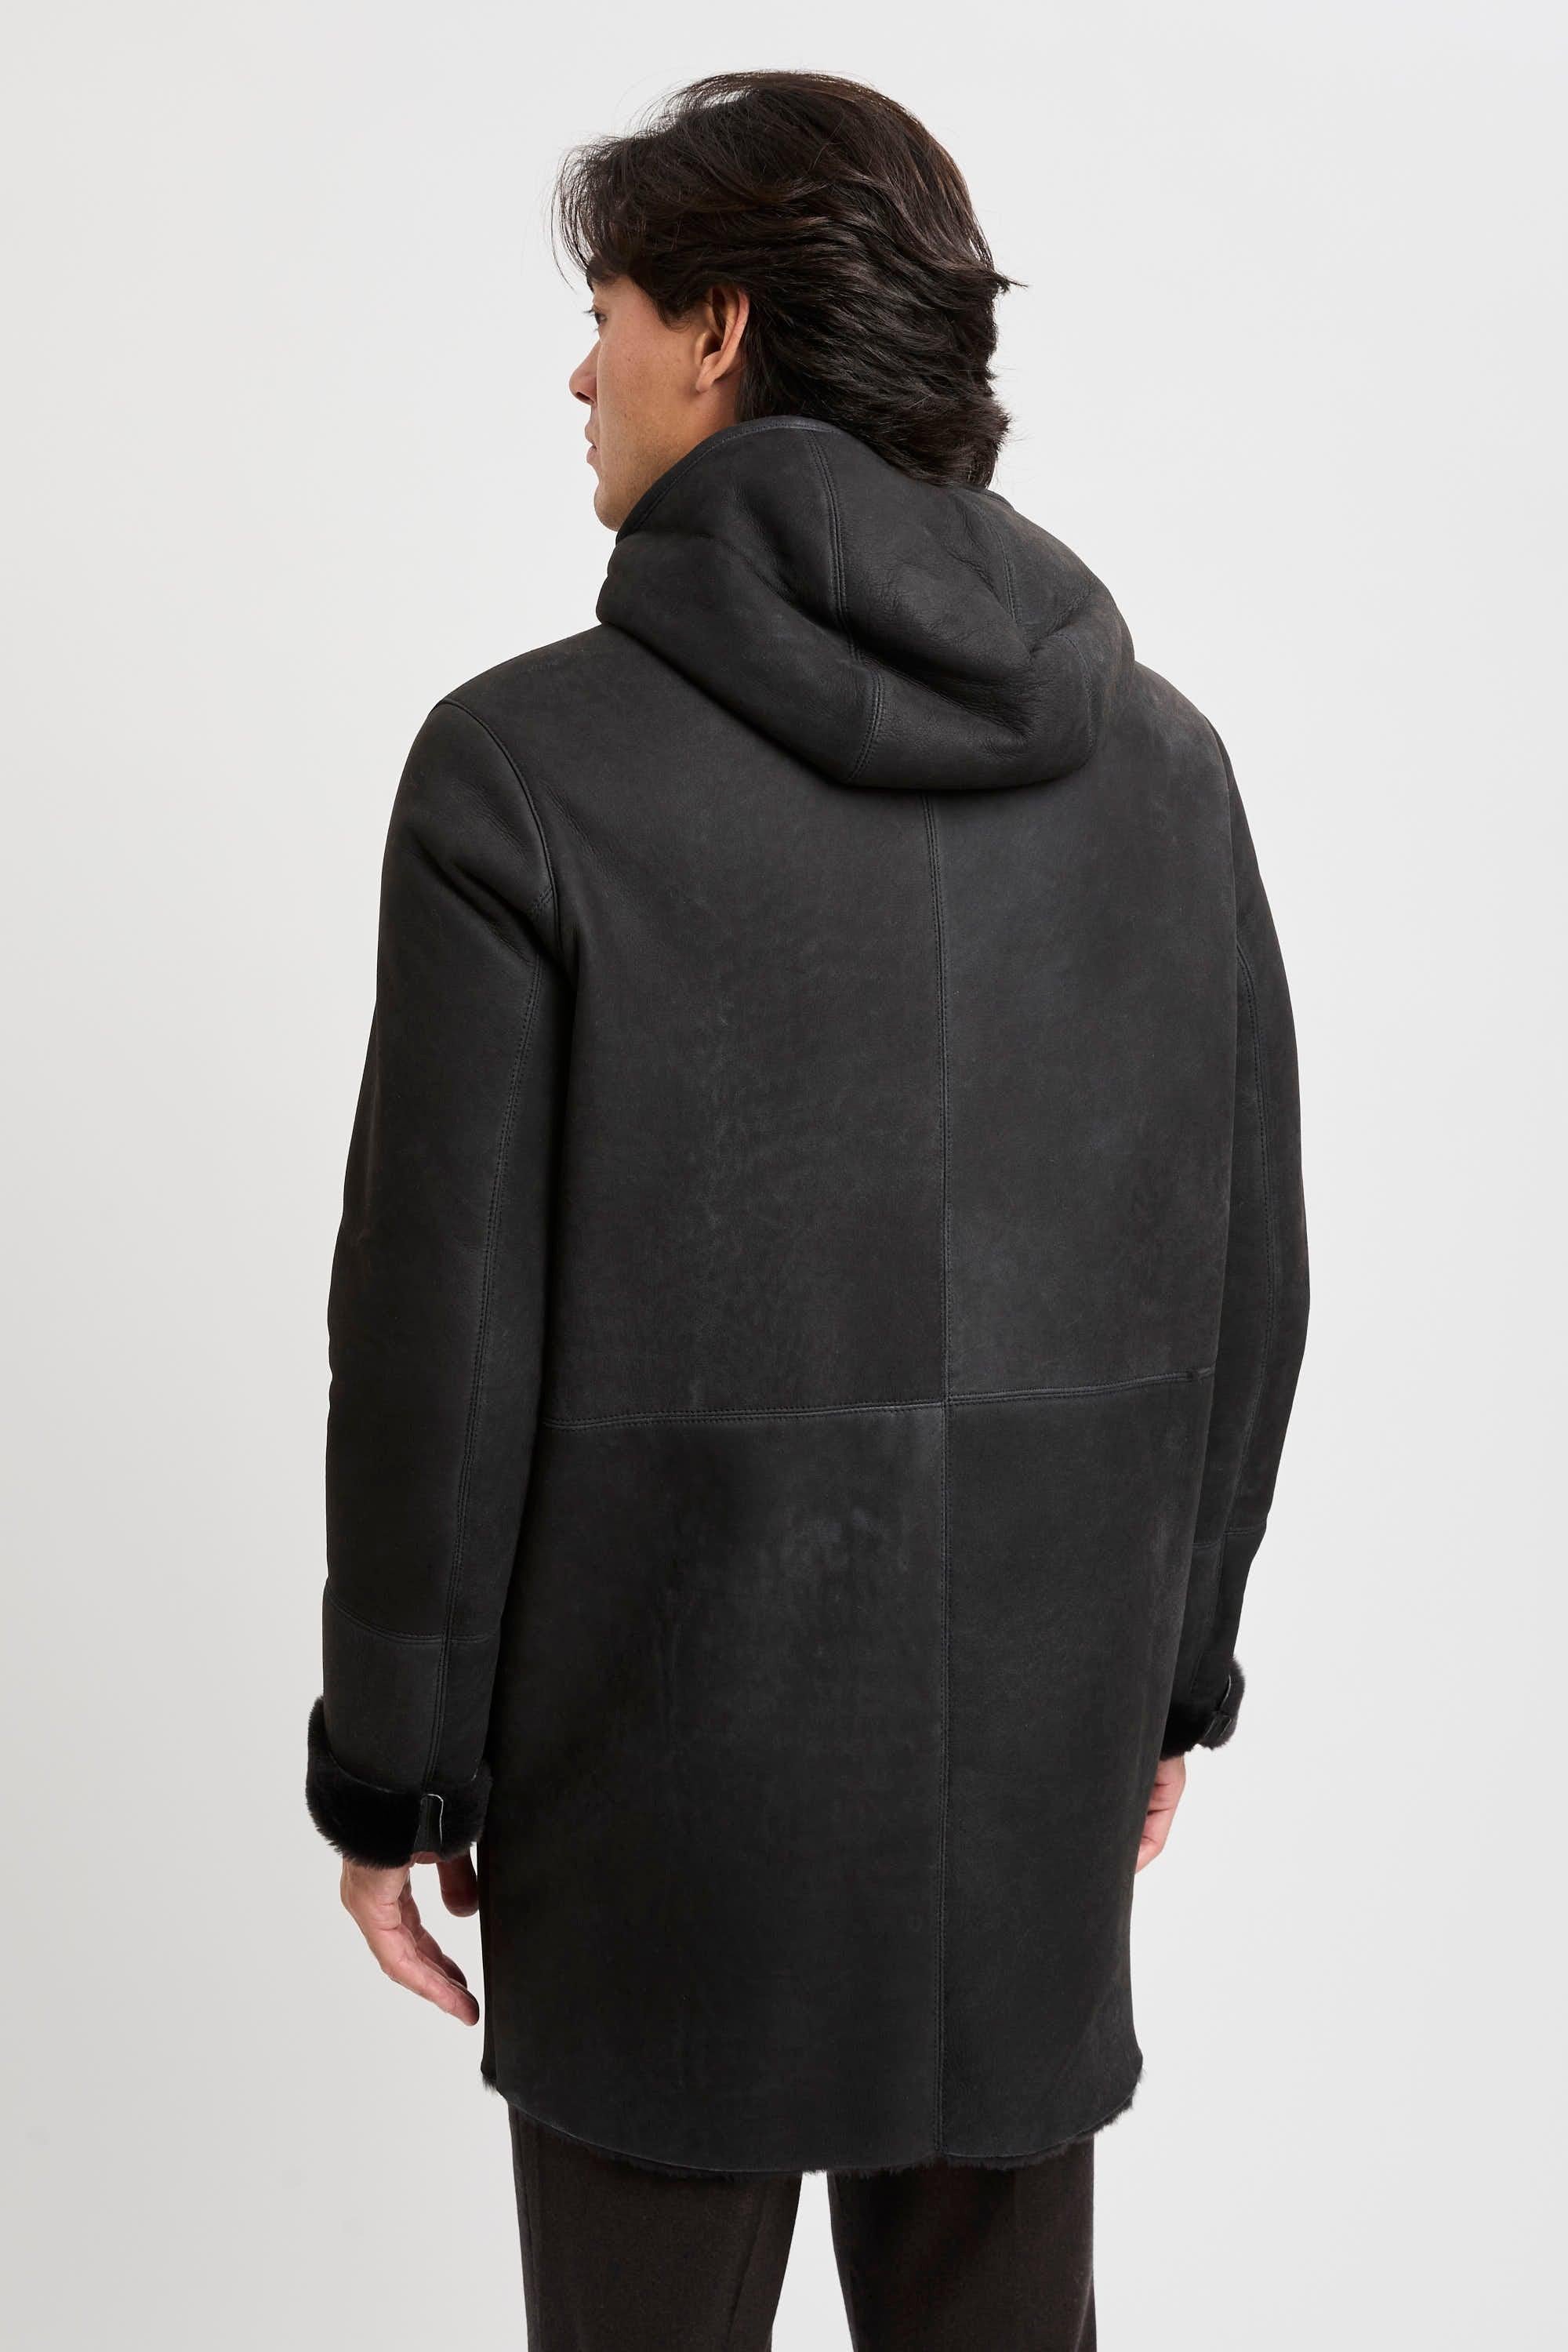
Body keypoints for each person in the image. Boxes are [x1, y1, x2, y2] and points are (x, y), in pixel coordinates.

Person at [303, 68, 1308, 2351]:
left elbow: (441, 1323)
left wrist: (396, 1760)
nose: (582, 374)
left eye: (609, 312)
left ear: (721, 331)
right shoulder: (1164, 766)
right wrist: (1168, 1677)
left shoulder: (521, 771)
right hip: (1028, 1771)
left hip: (653, 1793)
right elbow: (1251, 1280)